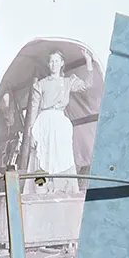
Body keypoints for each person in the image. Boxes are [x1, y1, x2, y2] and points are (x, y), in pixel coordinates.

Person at [24, 48, 93, 194]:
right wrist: (31, 131)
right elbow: (34, 109)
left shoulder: (68, 82)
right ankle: (40, 190)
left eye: (57, 61)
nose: (54, 64)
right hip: (43, 124)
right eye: (51, 61)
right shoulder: (40, 84)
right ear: (48, 64)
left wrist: (88, 62)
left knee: (62, 159)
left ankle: (62, 191)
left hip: (60, 125)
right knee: (41, 159)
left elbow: (87, 84)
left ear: (62, 63)